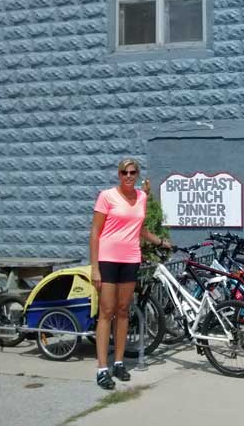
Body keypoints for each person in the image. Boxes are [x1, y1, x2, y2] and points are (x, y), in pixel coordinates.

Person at [89, 158, 170, 390]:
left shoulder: (142, 198)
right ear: (118, 174)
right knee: (106, 311)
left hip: (130, 259)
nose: (128, 176)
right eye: (124, 172)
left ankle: (118, 362)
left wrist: (159, 241)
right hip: (107, 260)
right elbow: (95, 232)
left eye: (132, 172)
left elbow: (140, 228)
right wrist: (95, 267)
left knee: (123, 311)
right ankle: (102, 368)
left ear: (137, 174)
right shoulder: (107, 196)